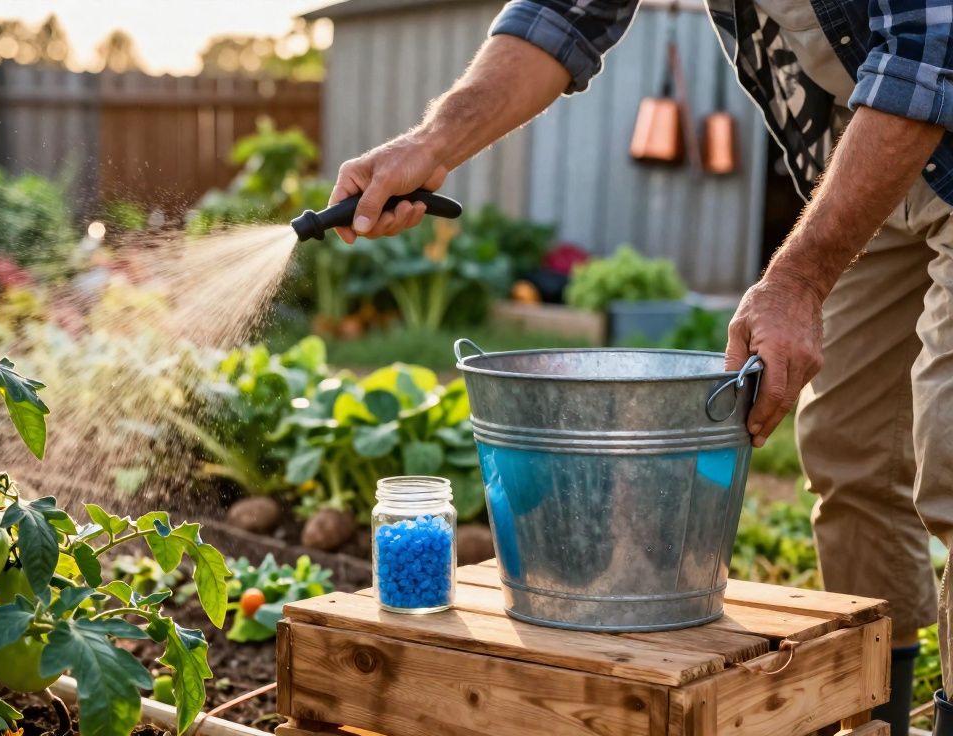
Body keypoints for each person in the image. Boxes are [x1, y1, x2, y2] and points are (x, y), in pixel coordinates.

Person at [330, 0, 953, 732]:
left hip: (925, 104)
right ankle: (875, 707)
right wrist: (431, 144)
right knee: (850, 453)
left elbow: (929, 48)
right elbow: (563, 15)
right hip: (875, 159)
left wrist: (797, 281)